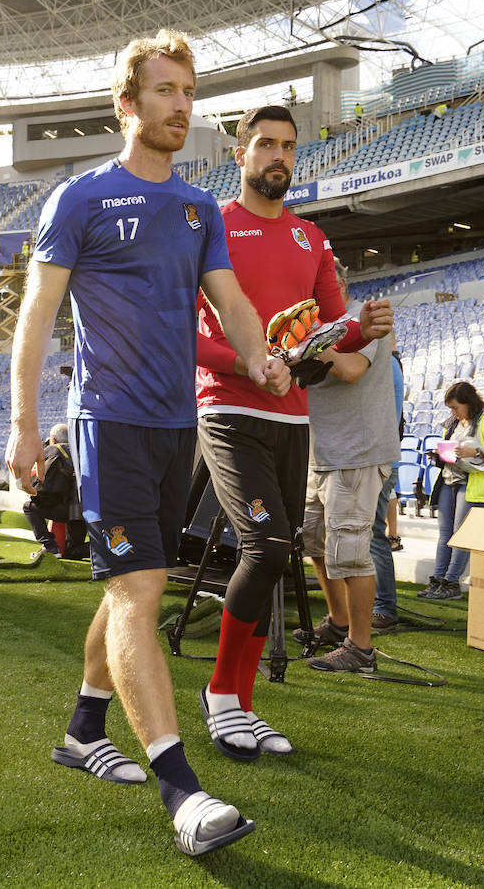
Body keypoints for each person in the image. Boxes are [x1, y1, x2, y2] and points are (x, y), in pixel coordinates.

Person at [5, 30, 291, 858]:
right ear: (127, 105)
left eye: (188, 93)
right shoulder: (80, 199)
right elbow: (35, 319)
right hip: (107, 419)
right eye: (164, 91)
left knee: (132, 584)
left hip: (179, 426)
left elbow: (231, 303)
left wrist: (260, 359)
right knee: (139, 592)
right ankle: (182, 793)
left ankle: (82, 730)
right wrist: (25, 425)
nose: (180, 106)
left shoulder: (199, 208)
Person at [197, 107, 394, 748]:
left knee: (277, 556)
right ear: (240, 155)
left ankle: (242, 704)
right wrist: (248, 365)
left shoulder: (312, 239)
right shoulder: (211, 228)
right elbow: (180, 333)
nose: (278, 155)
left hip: (293, 416)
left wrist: (368, 325)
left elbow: (332, 333)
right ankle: (222, 694)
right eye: (264, 145)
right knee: (266, 548)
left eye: (287, 146)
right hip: (228, 410)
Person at [297, 256, 399, 672]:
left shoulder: (365, 320)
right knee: (315, 543)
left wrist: (310, 349)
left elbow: (353, 369)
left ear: (339, 280)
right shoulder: (309, 327)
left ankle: (361, 649)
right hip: (319, 452)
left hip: (357, 451)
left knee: (352, 552)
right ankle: (339, 622)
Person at [419, 382, 484, 601]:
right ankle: (438, 580)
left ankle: (451, 582)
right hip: (449, 479)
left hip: (473, 482)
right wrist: (439, 455)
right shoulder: (452, 422)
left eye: (455, 407)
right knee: (445, 534)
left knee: (460, 534)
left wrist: (473, 451)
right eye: (451, 408)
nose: (453, 412)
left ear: (468, 403)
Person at [369, 333, 405, 630]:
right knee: (368, 537)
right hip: (378, 461)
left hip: (377, 462)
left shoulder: (386, 364)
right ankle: (378, 603)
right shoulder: (390, 363)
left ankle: (385, 606)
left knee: (372, 537)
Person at [22, 423, 88, 559]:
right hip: (84, 511)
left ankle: (50, 547)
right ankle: (99, 549)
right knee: (73, 552)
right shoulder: (84, 451)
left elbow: (44, 488)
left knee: (28, 507)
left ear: (53, 439)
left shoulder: (52, 451)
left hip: (64, 509)